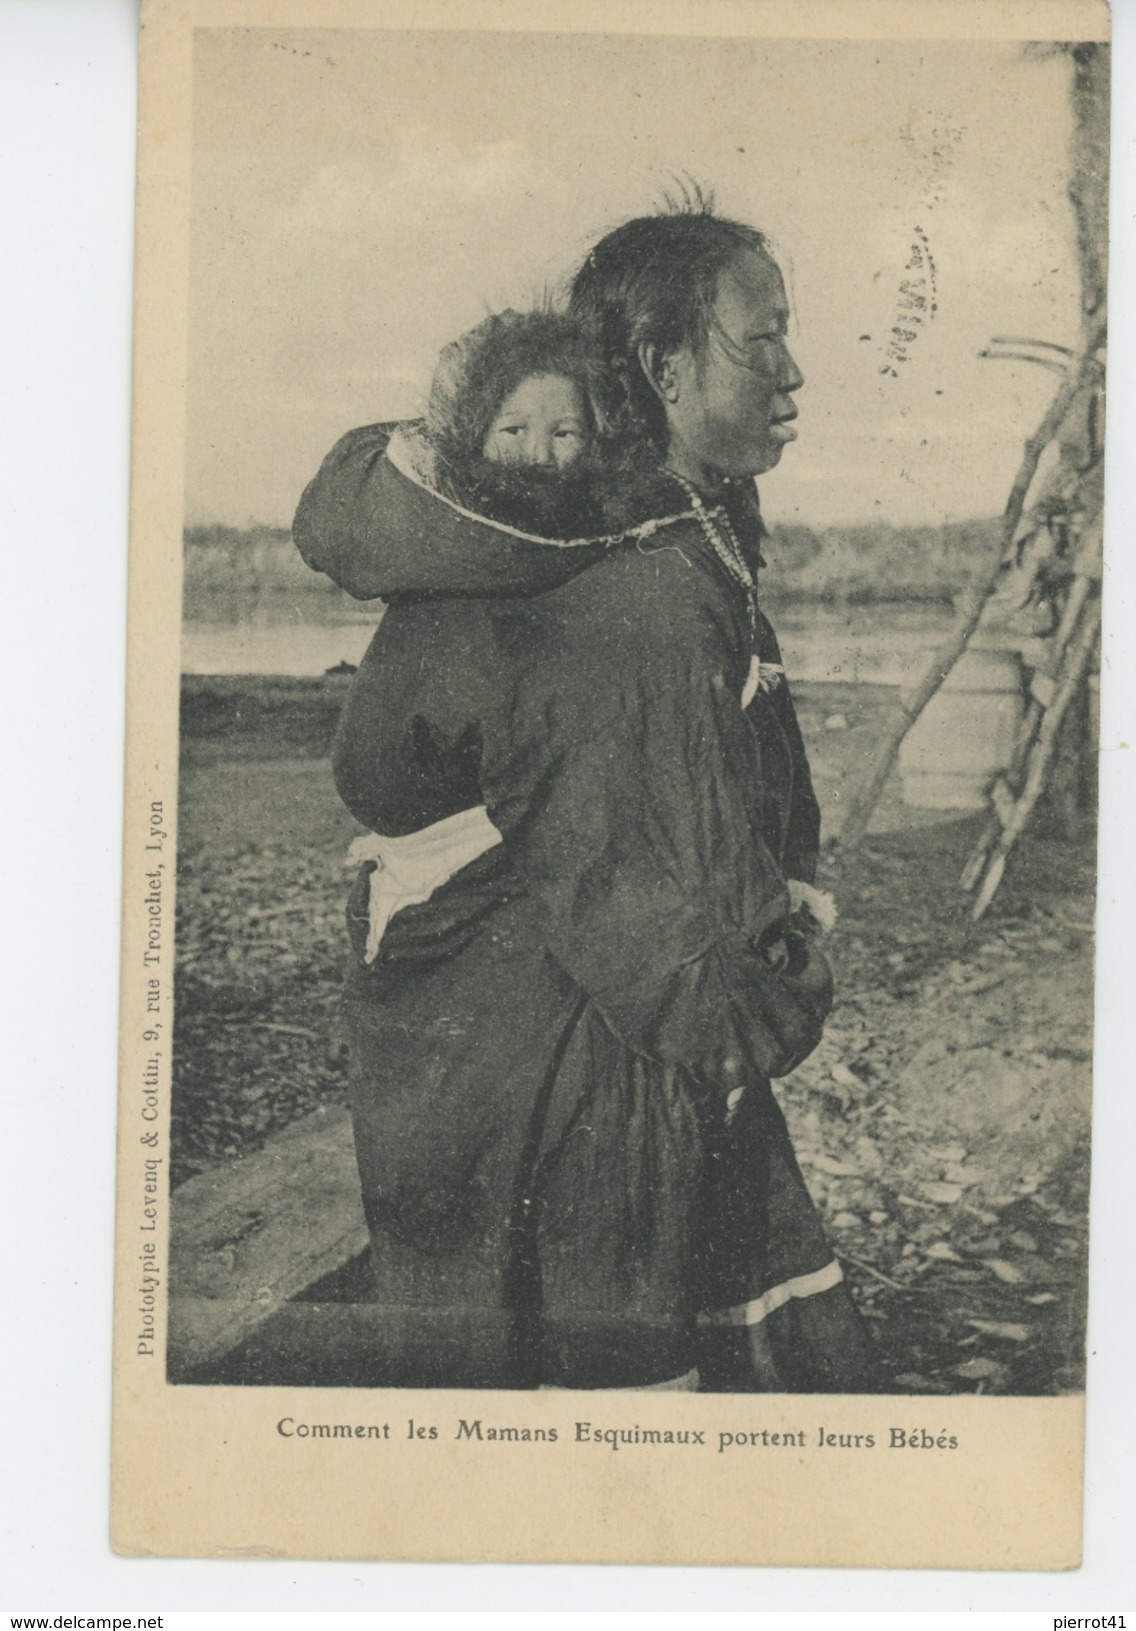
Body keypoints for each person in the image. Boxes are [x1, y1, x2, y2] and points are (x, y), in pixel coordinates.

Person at [293, 201, 877, 1392]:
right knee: (601, 1388)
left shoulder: (658, 531)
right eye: (758, 340)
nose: (791, 370)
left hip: (588, 1023)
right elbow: (632, 880)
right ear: (664, 368)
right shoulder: (620, 580)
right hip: (573, 1050)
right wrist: (771, 999)